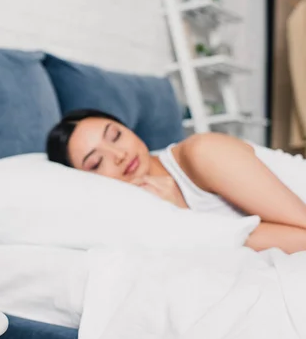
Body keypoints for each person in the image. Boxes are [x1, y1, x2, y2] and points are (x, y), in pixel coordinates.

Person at [46, 108, 306, 254]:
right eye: (96, 162)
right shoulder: (140, 212)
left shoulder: (203, 152)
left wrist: (187, 221)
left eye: (115, 136)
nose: (119, 155)